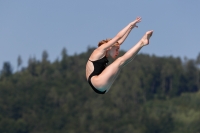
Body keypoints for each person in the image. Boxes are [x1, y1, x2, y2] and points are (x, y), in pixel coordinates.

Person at [86, 17, 153, 94]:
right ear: (110, 47)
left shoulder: (107, 51)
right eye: (117, 49)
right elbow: (118, 37)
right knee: (120, 61)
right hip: (97, 82)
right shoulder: (100, 50)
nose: (118, 52)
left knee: (122, 63)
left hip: (102, 88)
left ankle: (142, 43)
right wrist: (130, 25)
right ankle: (142, 42)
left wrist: (130, 28)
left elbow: (119, 42)